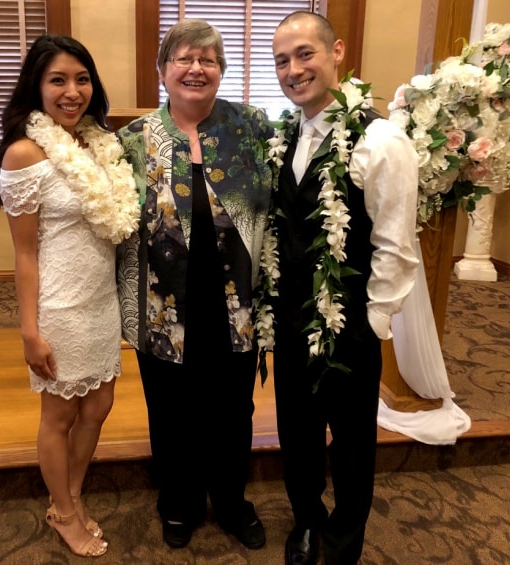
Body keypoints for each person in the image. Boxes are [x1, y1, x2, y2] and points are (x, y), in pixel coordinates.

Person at [268, 12, 419, 565]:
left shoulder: (381, 139)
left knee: (352, 443)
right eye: (281, 60)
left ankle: (345, 539)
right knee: (297, 431)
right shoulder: (286, 134)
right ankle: (306, 519)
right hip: (290, 319)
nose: (293, 69)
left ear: (337, 52)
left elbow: (397, 244)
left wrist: (372, 323)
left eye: (304, 54)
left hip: (350, 321)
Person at [116, 19, 273, 551]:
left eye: (208, 60)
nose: (196, 68)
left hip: (236, 301)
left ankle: (231, 500)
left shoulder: (252, 127)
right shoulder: (133, 140)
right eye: (184, 58)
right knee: (171, 408)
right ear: (163, 70)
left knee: (234, 408)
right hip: (162, 303)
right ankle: (178, 502)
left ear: (221, 72)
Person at [0, 34, 139, 558]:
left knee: (99, 403)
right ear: (37, 86)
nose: (72, 91)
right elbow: (25, 254)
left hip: (99, 300)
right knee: (58, 416)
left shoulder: (96, 143)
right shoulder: (25, 153)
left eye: (82, 79)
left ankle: (71, 493)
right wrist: (30, 331)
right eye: (58, 80)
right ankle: (62, 510)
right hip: (58, 306)